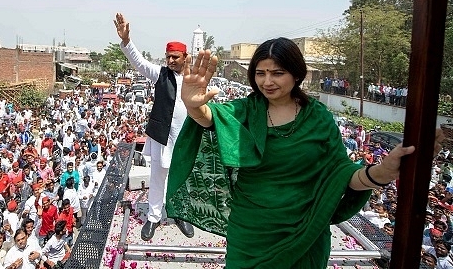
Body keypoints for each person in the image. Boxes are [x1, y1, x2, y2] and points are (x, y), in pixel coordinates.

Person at [166, 38, 444, 268]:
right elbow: (209, 118)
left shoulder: (318, 119)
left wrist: (382, 173)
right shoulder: (245, 110)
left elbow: (342, 175)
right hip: (252, 231)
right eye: (260, 73)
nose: (267, 82)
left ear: (297, 74)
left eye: (277, 73)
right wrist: (193, 106)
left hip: (304, 231)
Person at [114, 12, 194, 241]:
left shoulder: (194, 78)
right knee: (157, 178)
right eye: (168, 57)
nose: (170, 61)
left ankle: (180, 214)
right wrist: (127, 41)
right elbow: (138, 62)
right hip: (162, 137)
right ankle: (153, 216)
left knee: (182, 179)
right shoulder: (160, 74)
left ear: (185, 57)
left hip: (185, 138)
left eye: (175, 57)